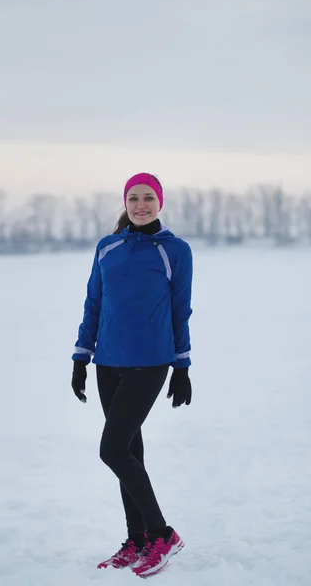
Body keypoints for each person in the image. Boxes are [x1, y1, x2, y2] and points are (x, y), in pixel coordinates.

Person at [71, 172, 193, 577]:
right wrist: (80, 357)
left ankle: (162, 533)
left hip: (151, 361)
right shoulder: (108, 247)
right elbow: (93, 302)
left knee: (112, 449)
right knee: (129, 452)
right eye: (133, 198)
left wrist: (182, 365)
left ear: (160, 203)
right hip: (108, 361)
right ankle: (137, 540)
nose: (141, 205)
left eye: (148, 199)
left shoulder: (175, 250)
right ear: (125, 203)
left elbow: (180, 309)